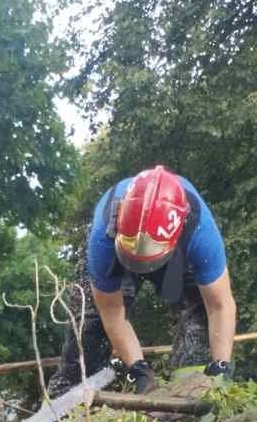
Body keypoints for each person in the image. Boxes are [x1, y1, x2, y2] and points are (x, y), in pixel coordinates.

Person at [49, 165, 237, 398]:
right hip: (116, 253)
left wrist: (221, 365)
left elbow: (220, 305)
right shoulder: (102, 238)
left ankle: (192, 400)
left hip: (175, 253)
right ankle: (69, 403)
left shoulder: (200, 231)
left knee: (199, 324)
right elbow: (111, 311)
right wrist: (138, 367)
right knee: (89, 328)